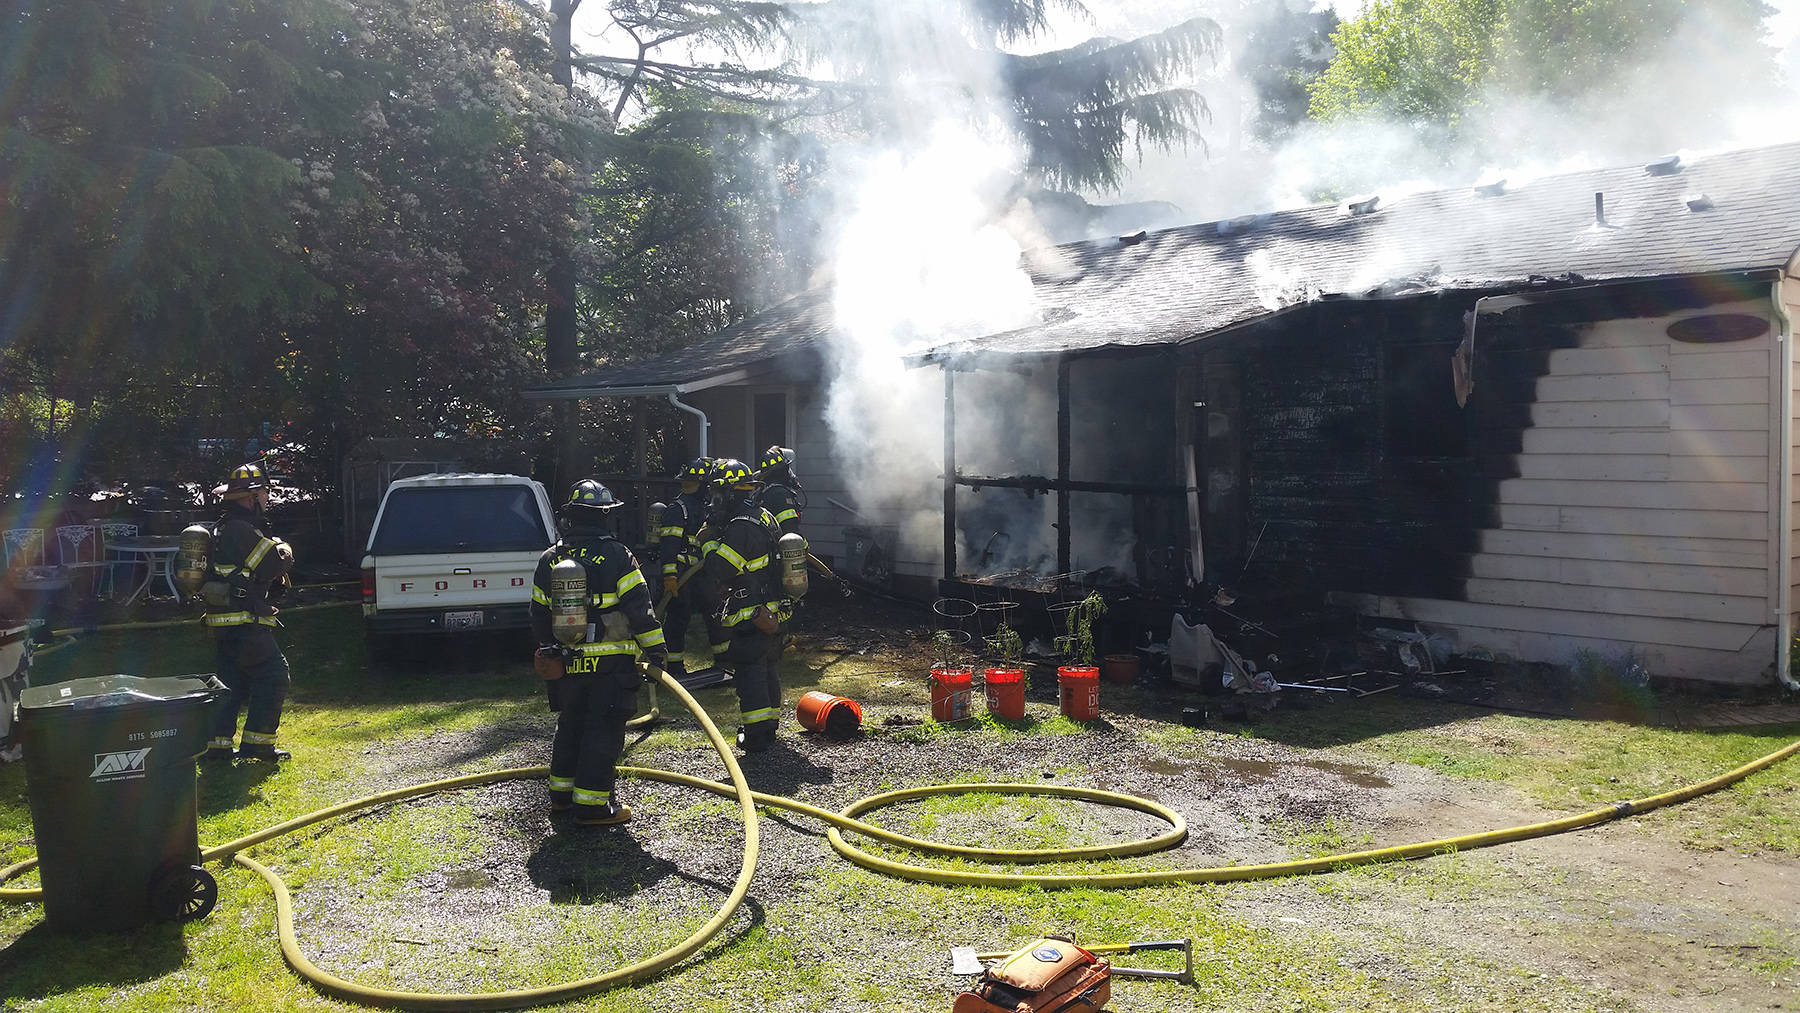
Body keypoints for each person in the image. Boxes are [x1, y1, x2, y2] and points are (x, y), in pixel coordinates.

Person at [529, 479, 667, 826]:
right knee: (602, 732)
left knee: (571, 726)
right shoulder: (618, 556)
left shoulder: (551, 558)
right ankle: (591, 807)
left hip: (567, 665)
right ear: (605, 516)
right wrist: (657, 653)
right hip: (610, 668)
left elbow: (537, 612)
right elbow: (640, 611)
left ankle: (561, 797)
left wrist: (551, 651)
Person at [202, 462, 295, 762]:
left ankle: (217, 748)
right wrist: (284, 548)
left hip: (226, 621)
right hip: (244, 619)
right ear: (251, 496)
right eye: (264, 492)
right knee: (274, 675)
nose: (268, 497)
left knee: (232, 681)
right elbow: (271, 563)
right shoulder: (241, 529)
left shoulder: (227, 525)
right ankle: (257, 744)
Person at [699, 459, 790, 752]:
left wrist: (707, 542)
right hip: (774, 610)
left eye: (717, 493)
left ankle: (756, 736)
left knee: (750, 673)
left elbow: (720, 568)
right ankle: (770, 727)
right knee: (768, 669)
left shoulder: (740, 527)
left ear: (729, 493)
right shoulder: (764, 516)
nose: (714, 501)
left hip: (752, 613)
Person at [657, 457, 726, 681]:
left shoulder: (707, 508)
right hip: (683, 575)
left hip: (702, 573)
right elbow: (668, 547)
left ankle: (725, 661)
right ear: (703, 484)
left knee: (716, 614)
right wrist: (670, 576)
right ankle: (674, 667)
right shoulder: (677, 510)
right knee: (678, 619)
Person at [754, 446, 804, 536]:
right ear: (783, 470)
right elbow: (791, 533)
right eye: (788, 468)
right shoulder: (780, 494)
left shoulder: (764, 491)